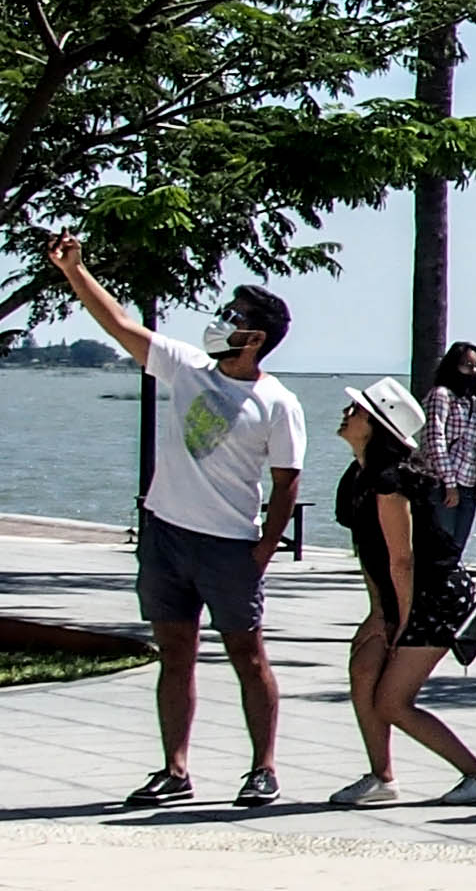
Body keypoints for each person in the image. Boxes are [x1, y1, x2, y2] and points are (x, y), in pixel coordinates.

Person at [45, 231, 306, 810]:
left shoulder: (278, 403)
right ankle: (175, 768)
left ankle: (263, 768)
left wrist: (264, 548)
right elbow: (118, 324)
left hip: (228, 547)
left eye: (232, 316)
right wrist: (74, 270)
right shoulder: (187, 367)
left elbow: (288, 482)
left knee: (248, 655)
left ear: (254, 337)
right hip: (165, 536)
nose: (219, 321)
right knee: (175, 652)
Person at [322, 377, 476, 807]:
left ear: (378, 426)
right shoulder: (357, 477)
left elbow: (402, 559)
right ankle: (381, 777)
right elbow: (367, 553)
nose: (348, 415)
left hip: (435, 599)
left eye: (358, 411)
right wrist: (376, 613)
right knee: (363, 668)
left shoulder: (391, 481)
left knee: (392, 701)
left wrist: (400, 623)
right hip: (398, 598)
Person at [421, 341, 476, 566]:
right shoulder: (441, 395)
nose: (473, 371)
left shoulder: (472, 402)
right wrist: (449, 483)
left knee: (456, 549)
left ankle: (449, 593)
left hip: (468, 485)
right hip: (443, 484)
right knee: (440, 548)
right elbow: (435, 439)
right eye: (466, 365)